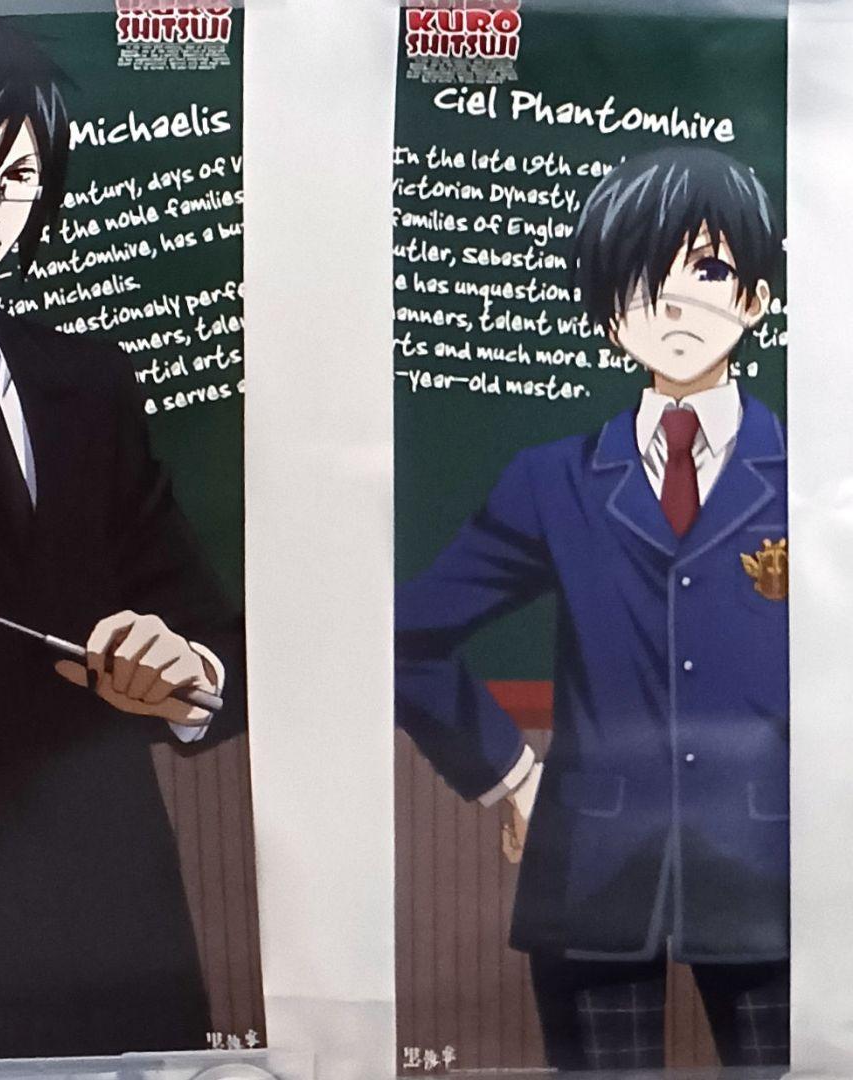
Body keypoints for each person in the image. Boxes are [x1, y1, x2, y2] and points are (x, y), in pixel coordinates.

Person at [0, 18, 245, 1059]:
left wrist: (188, 675)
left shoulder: (88, 383)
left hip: (111, 923)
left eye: (16, 178)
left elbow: (215, 638)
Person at [396, 147, 789, 1071]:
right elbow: (407, 635)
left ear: (755, 298)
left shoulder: (819, 479)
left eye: (708, 270)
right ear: (610, 315)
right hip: (592, 872)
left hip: (780, 872)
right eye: (646, 280)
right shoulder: (552, 480)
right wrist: (508, 775)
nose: (677, 303)